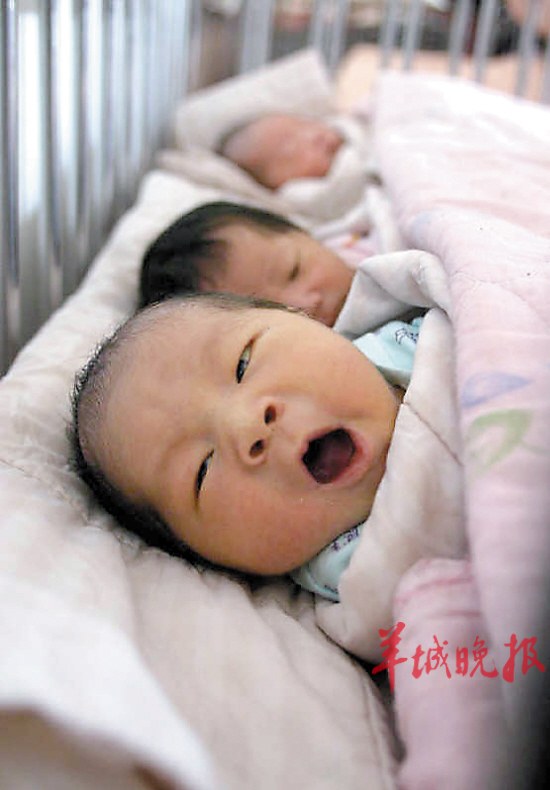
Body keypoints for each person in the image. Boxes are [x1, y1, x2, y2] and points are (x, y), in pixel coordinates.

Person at [71, 292, 422, 600]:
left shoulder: (423, 335)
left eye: (242, 364)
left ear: (299, 316)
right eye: (202, 471)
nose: (245, 425)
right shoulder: (369, 573)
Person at [140, 201, 374, 327]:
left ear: (305, 233)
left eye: (293, 271)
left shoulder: (373, 230)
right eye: (273, 315)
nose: (305, 306)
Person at [216, 113, 345, 190]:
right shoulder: (305, 197)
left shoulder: (346, 125)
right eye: (292, 150)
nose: (312, 136)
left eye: (304, 124)